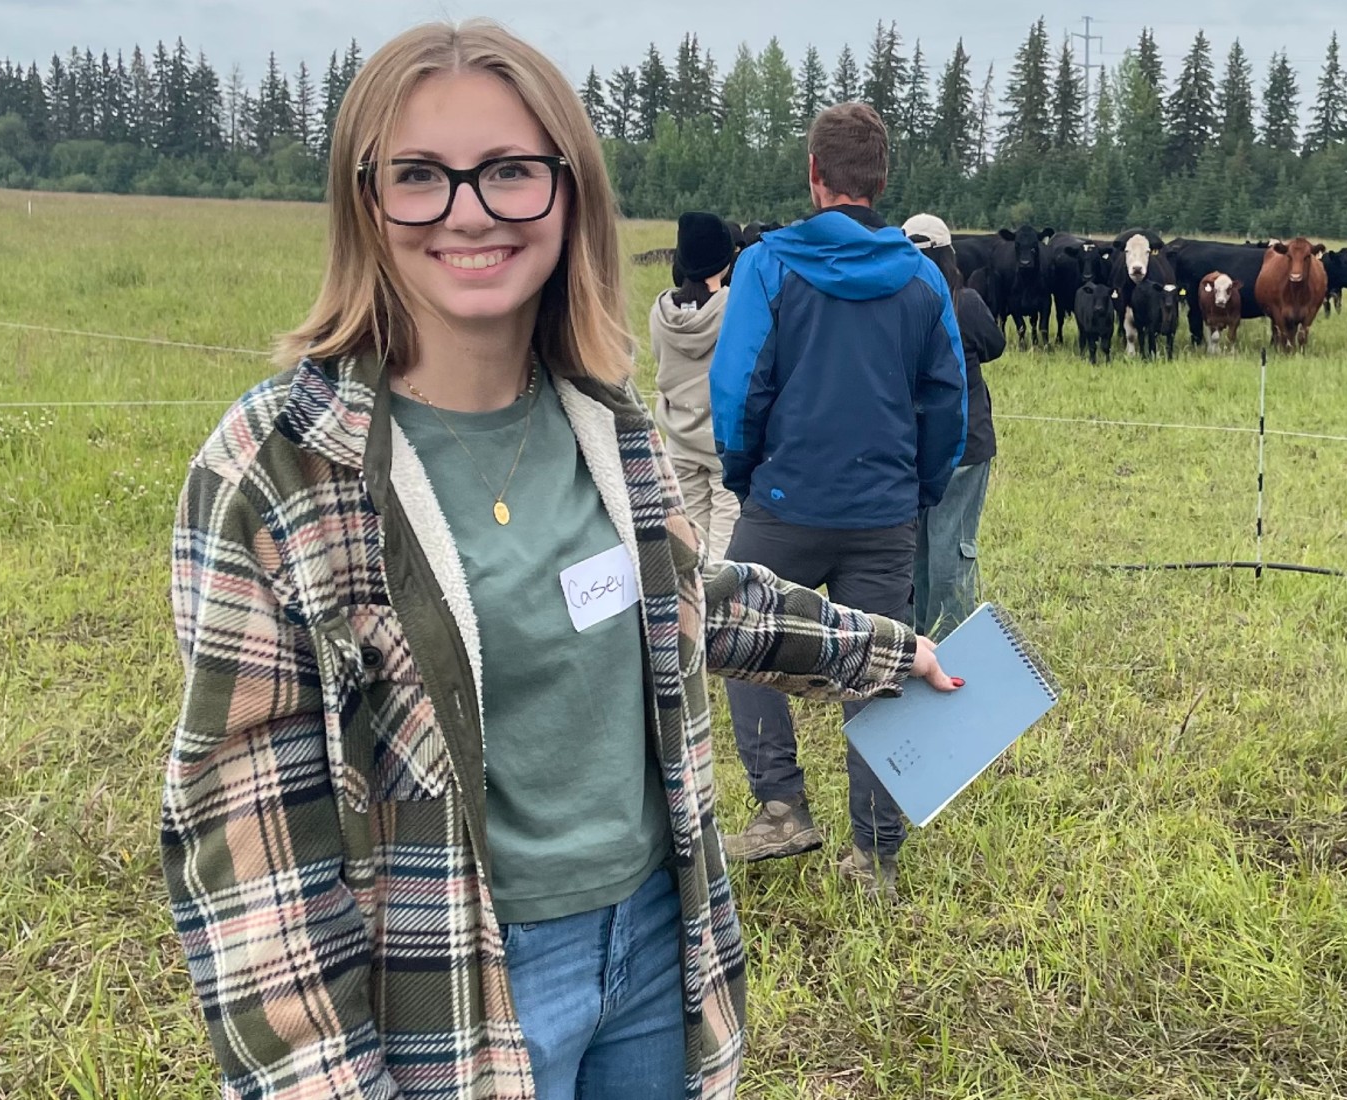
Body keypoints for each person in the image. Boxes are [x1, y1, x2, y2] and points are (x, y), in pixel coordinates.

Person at [160, 23, 956, 1100]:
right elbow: (244, 836)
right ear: (364, 199)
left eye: (509, 172)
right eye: (419, 177)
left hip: (653, 949)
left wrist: (881, 651)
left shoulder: (604, 419)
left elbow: (683, 598)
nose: (469, 209)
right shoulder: (277, 471)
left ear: (568, 192)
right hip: (452, 984)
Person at [710, 102, 968, 901]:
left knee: (747, 637)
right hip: (883, 512)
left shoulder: (766, 266)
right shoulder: (924, 278)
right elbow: (947, 401)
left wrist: (744, 470)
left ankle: (781, 805)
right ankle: (875, 858)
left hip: (784, 501)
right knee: (881, 672)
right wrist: (917, 490)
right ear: (881, 181)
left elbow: (738, 384)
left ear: (814, 176)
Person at [903, 212, 1005, 638]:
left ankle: (915, 640)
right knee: (951, 550)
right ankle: (951, 644)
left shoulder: (896, 303)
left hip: (910, 445)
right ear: (949, 254)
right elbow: (995, 345)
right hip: (966, 443)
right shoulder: (965, 302)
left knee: (915, 548)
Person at [651, 211, 741, 560]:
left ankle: (693, 607)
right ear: (723, 260)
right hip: (724, 442)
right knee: (725, 548)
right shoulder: (734, 308)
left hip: (679, 440)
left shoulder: (660, 312)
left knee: (690, 544)